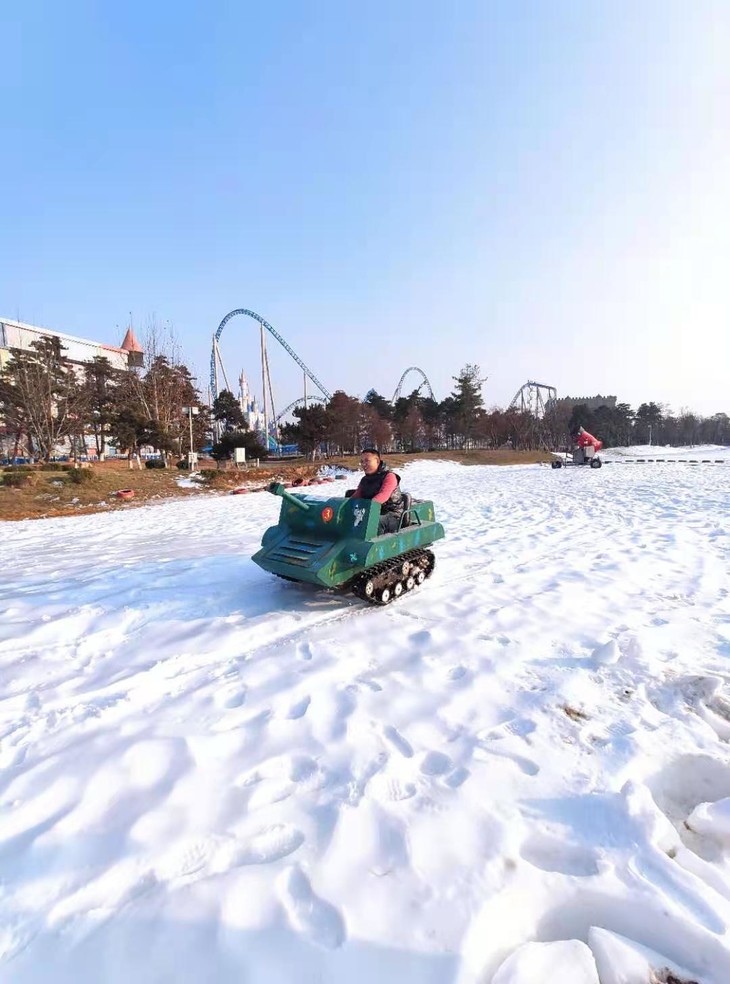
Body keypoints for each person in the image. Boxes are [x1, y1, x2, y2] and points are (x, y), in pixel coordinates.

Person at [348, 448, 404, 534]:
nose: (364, 464)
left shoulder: (389, 477)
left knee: (374, 523)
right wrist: (344, 505)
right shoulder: (364, 480)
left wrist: (367, 509)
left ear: (377, 461)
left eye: (367, 461)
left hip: (392, 515)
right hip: (372, 513)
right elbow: (357, 495)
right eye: (362, 461)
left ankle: (375, 546)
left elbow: (382, 496)